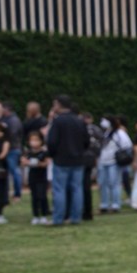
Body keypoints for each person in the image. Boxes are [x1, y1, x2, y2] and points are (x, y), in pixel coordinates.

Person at [45, 94, 90, 225]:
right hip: (78, 159)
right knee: (77, 189)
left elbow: (52, 141)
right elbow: (86, 140)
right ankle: (76, 217)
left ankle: (58, 218)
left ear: (58, 105)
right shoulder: (79, 120)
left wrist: (52, 154)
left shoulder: (58, 121)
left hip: (61, 160)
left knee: (59, 189)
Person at [97, 116, 133, 214]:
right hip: (103, 161)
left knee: (114, 183)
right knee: (103, 183)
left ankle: (115, 204)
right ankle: (104, 204)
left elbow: (127, 145)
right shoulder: (105, 133)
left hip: (114, 161)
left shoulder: (119, 133)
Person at [21, 130, 51, 224]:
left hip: (42, 177)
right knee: (34, 196)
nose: (34, 142)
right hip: (32, 176)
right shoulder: (28, 152)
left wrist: (38, 163)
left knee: (42, 196)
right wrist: (26, 162)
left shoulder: (44, 152)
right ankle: (35, 215)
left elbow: (47, 163)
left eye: (36, 140)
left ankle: (44, 215)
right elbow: (23, 162)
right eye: (32, 140)